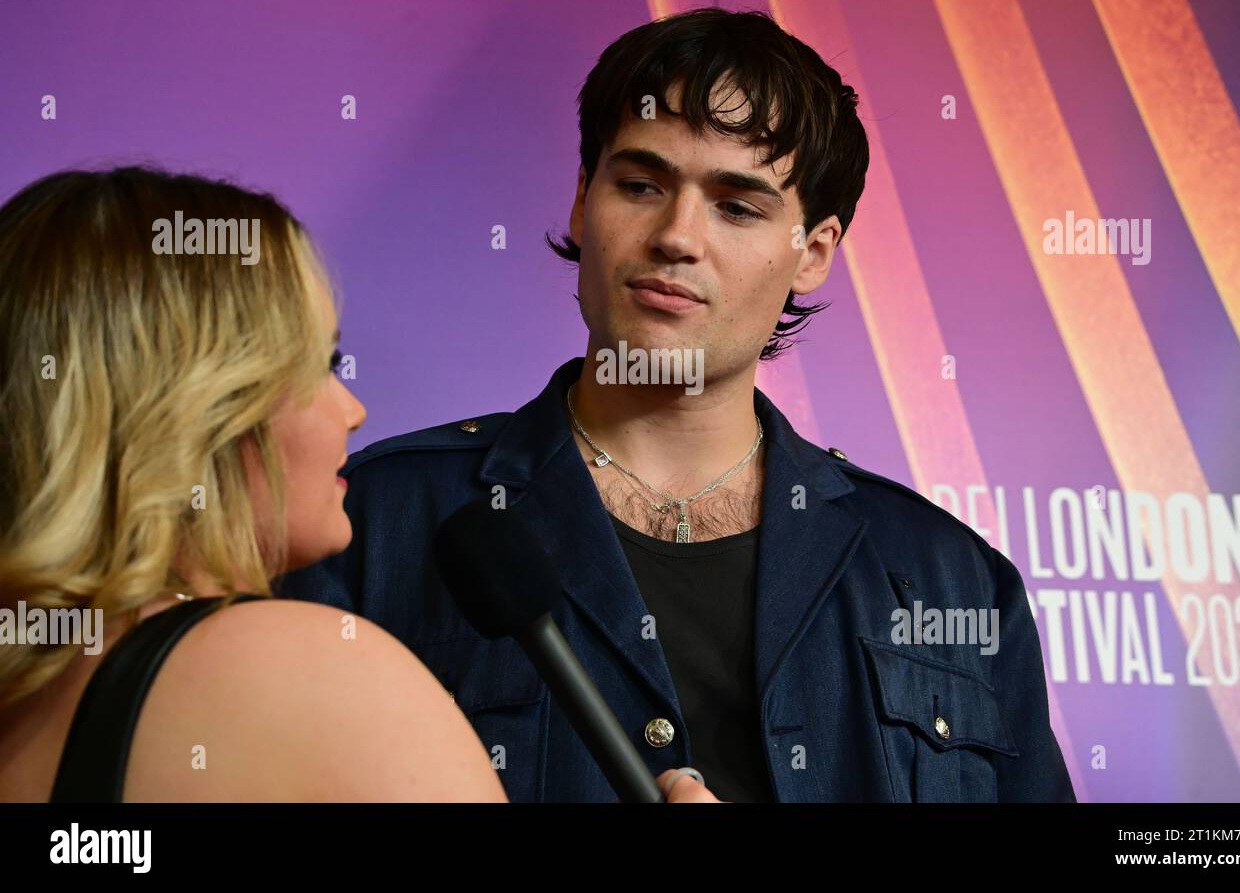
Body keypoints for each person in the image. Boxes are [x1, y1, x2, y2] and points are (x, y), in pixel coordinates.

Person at [279, 7, 1076, 802]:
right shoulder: (373, 523)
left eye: (737, 206)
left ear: (815, 252)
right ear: (582, 199)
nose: (676, 235)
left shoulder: (951, 580)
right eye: (640, 184)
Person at [0, 166, 715, 803]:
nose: (353, 409)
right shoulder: (307, 672)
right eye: (316, 363)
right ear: (198, 405)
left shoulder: (30, 697)